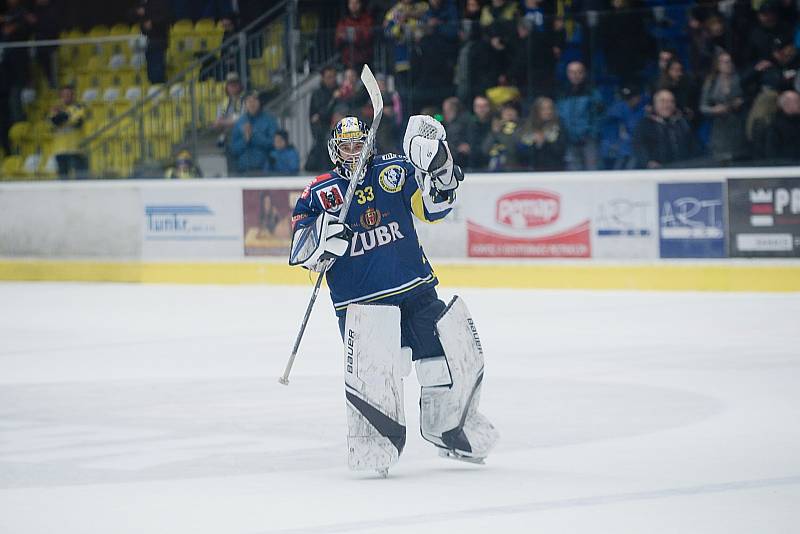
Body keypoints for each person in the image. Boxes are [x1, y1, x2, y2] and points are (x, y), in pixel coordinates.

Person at [288, 115, 498, 475]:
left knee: (445, 361)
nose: (354, 152)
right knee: (378, 378)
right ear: (335, 150)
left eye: (360, 144)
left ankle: (451, 428)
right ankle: (373, 443)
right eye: (347, 146)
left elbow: (434, 208)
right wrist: (321, 239)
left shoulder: (396, 171)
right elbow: (300, 251)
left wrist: (442, 171)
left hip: (415, 290)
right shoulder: (320, 194)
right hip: (363, 306)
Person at [699, 51, 746, 163]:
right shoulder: (711, 82)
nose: (727, 64)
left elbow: (748, 97)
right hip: (719, 127)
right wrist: (714, 110)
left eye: (729, 61)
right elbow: (702, 107)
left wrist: (741, 102)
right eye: (724, 62)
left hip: (738, 124)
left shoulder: (740, 79)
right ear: (718, 64)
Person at [633, 89, 698, 168]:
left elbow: (695, 148)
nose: (667, 105)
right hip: (655, 174)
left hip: (683, 171)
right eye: (662, 101)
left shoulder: (683, 123)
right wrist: (647, 162)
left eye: (671, 101)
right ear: (654, 104)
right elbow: (639, 147)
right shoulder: (643, 125)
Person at [556, 61, 603, 170]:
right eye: (572, 72)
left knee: (593, 171)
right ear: (567, 74)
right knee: (573, 173)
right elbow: (560, 116)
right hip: (569, 141)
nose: (575, 75)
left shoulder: (592, 93)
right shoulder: (562, 94)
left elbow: (599, 116)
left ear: (584, 73)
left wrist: (591, 134)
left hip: (589, 140)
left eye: (579, 72)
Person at [230, 91, 278, 175]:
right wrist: (245, 139)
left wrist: (254, 135)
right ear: (245, 104)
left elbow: (274, 143)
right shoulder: (240, 122)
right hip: (243, 169)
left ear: (259, 102)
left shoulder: (270, 120)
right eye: (249, 101)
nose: (252, 104)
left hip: (265, 169)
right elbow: (234, 149)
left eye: (255, 100)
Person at [600, 84, 646, 170]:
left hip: (634, 149)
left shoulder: (643, 111)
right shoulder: (616, 110)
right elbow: (610, 134)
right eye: (628, 98)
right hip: (618, 150)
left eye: (633, 97)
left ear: (638, 97)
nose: (631, 100)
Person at [48, 85, 88, 179]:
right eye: (64, 95)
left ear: (73, 96)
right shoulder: (55, 108)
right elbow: (54, 122)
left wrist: (62, 116)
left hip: (76, 150)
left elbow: (78, 122)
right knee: (63, 181)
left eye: (68, 94)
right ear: (60, 96)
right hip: (60, 150)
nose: (66, 97)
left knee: (81, 179)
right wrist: (66, 117)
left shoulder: (78, 107)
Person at [306, 66, 340, 172]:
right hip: (323, 131)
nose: (332, 80)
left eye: (333, 76)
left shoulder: (340, 91)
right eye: (329, 77)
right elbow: (320, 114)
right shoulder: (317, 94)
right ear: (323, 78)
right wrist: (333, 99)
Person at [519, 96, 566, 171]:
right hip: (533, 172)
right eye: (543, 109)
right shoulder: (527, 128)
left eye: (550, 108)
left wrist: (545, 141)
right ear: (536, 111)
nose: (548, 112)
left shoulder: (559, 126)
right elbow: (521, 154)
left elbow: (561, 151)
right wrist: (535, 143)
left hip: (555, 170)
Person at [136, 0, 171, 84]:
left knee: (157, 67)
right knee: (151, 67)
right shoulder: (143, 4)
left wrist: (152, 22)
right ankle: (153, 85)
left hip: (159, 40)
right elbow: (133, 15)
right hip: (148, 41)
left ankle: (159, 86)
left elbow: (166, 17)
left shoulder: (160, 4)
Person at [335, 0, 375, 70]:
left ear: (361, 4)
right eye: (351, 3)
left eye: (356, 3)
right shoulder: (344, 21)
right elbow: (338, 38)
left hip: (364, 59)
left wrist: (354, 36)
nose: (354, 5)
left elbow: (367, 36)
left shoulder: (367, 19)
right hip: (348, 60)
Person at [764, 90, 800, 162]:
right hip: (787, 168)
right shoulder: (776, 127)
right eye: (797, 101)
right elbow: (772, 152)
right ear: (787, 104)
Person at [213, 72, 245, 151]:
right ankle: (223, 139)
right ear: (227, 87)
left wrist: (225, 121)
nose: (233, 87)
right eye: (230, 85)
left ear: (240, 86)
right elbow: (217, 124)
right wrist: (227, 121)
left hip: (242, 135)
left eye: (235, 84)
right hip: (228, 136)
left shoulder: (246, 99)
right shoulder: (223, 103)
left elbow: (241, 120)